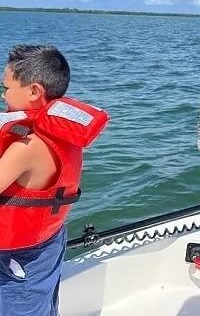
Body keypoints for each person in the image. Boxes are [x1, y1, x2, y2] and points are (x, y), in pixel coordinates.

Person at [0, 45, 109, 315]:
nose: (3, 96)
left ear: (34, 91)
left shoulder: (27, 147)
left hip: (18, 258)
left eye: (6, 89)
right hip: (48, 244)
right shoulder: (62, 136)